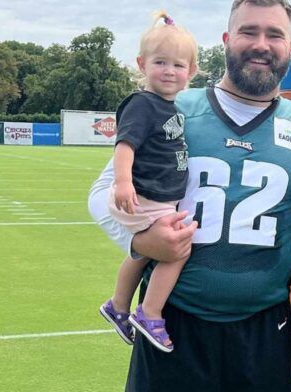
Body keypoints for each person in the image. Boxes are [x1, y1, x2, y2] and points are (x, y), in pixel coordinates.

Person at [88, 1, 291, 390]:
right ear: (226, 40)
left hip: (263, 328)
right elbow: (101, 194)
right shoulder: (173, 107)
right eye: (248, 31)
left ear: (290, 46)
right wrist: (140, 239)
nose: (261, 44)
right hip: (175, 321)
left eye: (274, 34)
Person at [97, 11, 198, 354]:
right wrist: (123, 182)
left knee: (141, 253)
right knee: (177, 250)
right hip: (142, 196)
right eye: (160, 62)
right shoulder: (143, 104)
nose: (169, 71)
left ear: (191, 73)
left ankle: (117, 305)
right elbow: (125, 145)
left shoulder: (172, 107)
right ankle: (150, 312)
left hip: (156, 198)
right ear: (142, 64)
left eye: (178, 65)